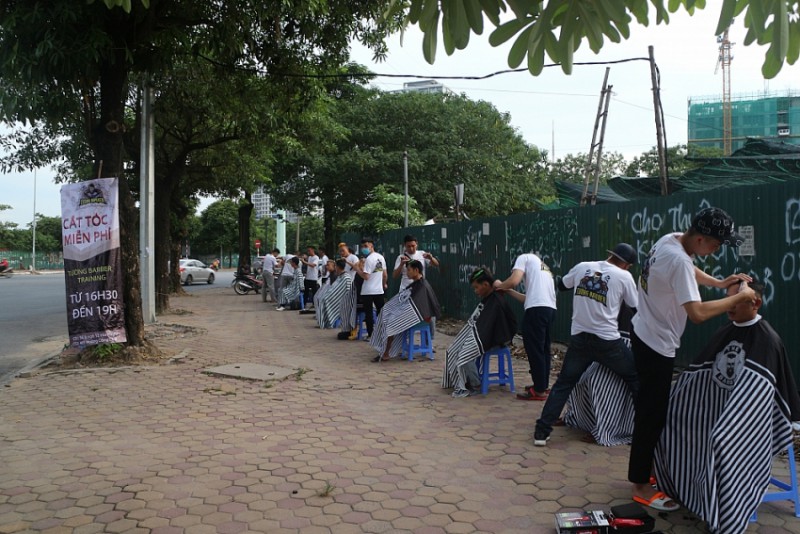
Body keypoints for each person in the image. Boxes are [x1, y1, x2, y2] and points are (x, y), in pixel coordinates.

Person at [628, 207, 756, 512]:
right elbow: (697, 314)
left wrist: (718, 283)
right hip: (655, 344)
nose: (715, 250)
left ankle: (643, 473)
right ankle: (641, 485)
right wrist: (737, 297)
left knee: (651, 410)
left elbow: (688, 271)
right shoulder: (678, 260)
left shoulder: (670, 240)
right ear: (699, 238)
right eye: (714, 245)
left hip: (644, 330)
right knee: (651, 415)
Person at [653, 281, 800, 533]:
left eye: (735, 300)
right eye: (727, 299)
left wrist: (728, 420)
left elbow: (758, 398)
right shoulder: (726, 331)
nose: (728, 307)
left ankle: (726, 513)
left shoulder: (768, 340)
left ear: (755, 303)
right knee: (668, 417)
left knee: (720, 439)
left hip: (751, 419)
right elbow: (698, 375)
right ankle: (687, 492)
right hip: (721, 410)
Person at [533, 243, 639, 446]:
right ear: (627, 265)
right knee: (634, 378)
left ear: (610, 255)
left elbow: (562, 285)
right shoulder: (624, 277)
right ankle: (642, 431)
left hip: (580, 340)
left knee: (564, 384)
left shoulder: (583, 266)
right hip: (608, 342)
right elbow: (635, 307)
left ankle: (541, 432)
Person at [442, 268, 517, 398]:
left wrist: (474, 340)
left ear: (486, 285)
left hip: (497, 340)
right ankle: (464, 380)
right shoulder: (489, 298)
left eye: (476, 288)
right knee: (453, 350)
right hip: (489, 337)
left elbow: (490, 329)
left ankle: (476, 385)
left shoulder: (495, 301)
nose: (475, 291)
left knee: (464, 355)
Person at [493, 251, 557, 400]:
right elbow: (527, 298)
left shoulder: (524, 258)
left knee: (534, 349)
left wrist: (499, 285)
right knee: (543, 349)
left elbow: (514, 280)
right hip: (549, 310)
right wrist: (507, 290)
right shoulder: (543, 268)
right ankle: (542, 385)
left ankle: (539, 390)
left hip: (536, 311)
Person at [369, 260, 441, 362]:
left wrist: (398, 312)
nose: (407, 273)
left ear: (416, 270)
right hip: (416, 315)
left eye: (409, 270)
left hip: (421, 318)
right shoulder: (416, 284)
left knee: (390, 322)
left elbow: (416, 306)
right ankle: (384, 349)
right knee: (385, 313)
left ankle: (386, 352)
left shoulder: (422, 286)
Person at [349, 238, 387, 342]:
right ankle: (382, 333)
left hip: (368, 291)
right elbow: (384, 274)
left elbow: (366, 277)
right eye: (362, 246)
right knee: (381, 312)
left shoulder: (369, 259)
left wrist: (357, 269)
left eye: (366, 246)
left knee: (369, 314)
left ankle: (371, 335)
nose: (364, 248)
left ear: (371, 245)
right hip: (379, 290)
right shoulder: (380, 258)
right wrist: (383, 285)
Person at [316, 259, 351, 329]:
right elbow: (334, 288)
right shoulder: (340, 276)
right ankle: (325, 322)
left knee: (324, 300)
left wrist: (329, 295)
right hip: (337, 297)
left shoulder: (346, 277)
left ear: (337, 267)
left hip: (343, 299)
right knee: (321, 299)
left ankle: (328, 322)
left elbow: (345, 291)